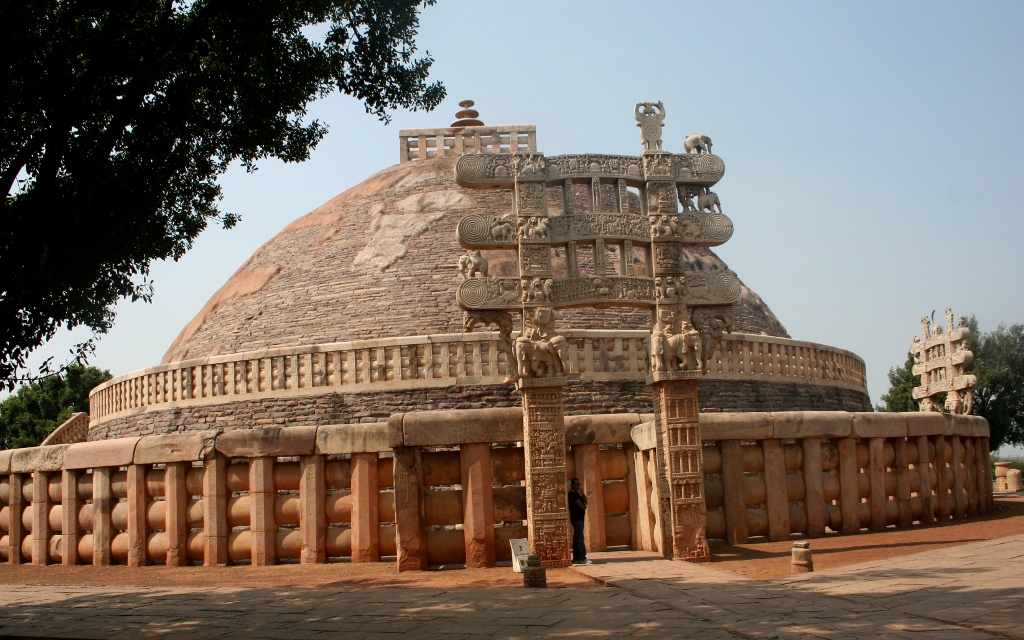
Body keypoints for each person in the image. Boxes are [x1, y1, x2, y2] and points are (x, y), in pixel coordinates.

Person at [568, 477, 591, 564]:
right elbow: (582, 506)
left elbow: (585, 502)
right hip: (576, 518)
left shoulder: (578, 494)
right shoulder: (572, 494)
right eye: (576, 485)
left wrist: (582, 493)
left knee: (578, 537)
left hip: (580, 518)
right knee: (579, 538)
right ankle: (581, 557)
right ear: (572, 485)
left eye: (579, 485)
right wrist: (584, 505)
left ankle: (577, 557)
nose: (578, 486)